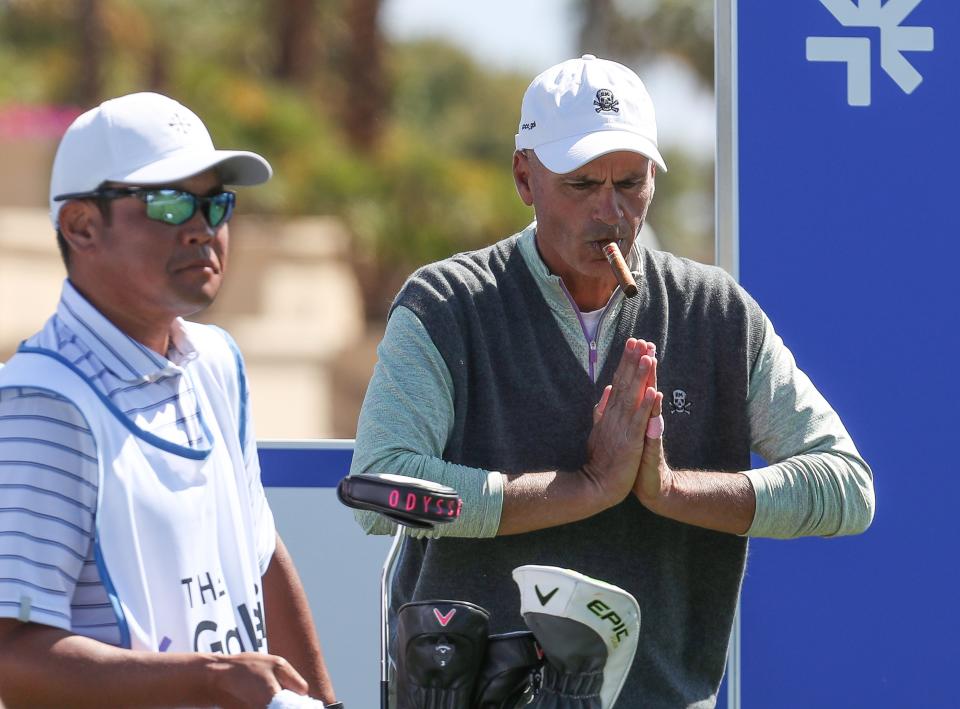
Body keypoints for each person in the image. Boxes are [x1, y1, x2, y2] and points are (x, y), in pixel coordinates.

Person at [349, 55, 875, 707]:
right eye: (581, 182)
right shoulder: (447, 303)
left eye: (630, 181)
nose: (610, 209)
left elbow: (847, 485)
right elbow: (382, 491)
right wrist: (586, 488)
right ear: (524, 176)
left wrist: (673, 489)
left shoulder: (715, 312)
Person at [0, 93, 338, 708]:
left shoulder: (216, 363)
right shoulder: (41, 405)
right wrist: (205, 679)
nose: (202, 226)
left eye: (215, 203)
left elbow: (260, 560)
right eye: (169, 201)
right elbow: (10, 657)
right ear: (81, 226)